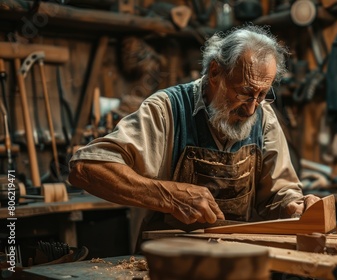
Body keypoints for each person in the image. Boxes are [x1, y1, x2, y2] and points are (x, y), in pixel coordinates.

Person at [68, 25, 320, 244]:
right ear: (215, 72)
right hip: (170, 260)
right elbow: (86, 168)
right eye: (244, 92)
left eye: (262, 94)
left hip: (240, 259)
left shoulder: (263, 118)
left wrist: (291, 206)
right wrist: (168, 196)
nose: (252, 107)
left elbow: (278, 193)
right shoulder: (167, 110)